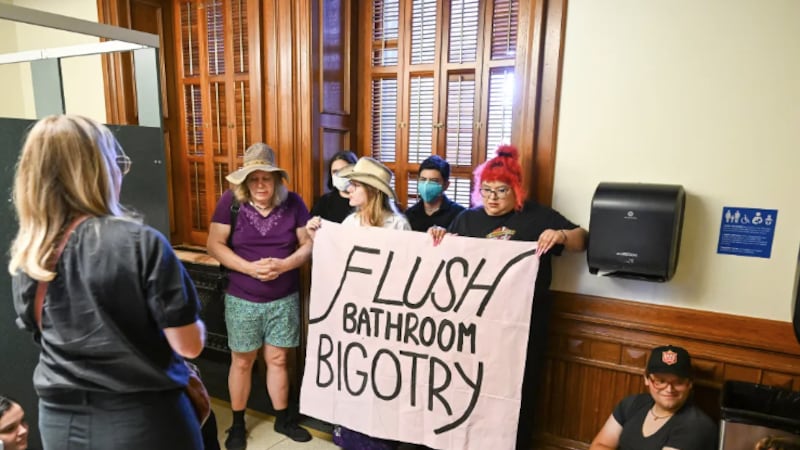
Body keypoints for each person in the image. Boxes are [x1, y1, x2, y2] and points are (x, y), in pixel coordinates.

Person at [9, 115, 206, 449]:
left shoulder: (29, 255)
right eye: (118, 163)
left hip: (61, 423)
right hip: (143, 421)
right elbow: (189, 345)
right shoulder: (140, 243)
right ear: (98, 170)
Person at [428, 145, 588, 449]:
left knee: (517, 394)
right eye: (486, 190)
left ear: (517, 190)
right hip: (476, 326)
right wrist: (439, 236)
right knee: (471, 389)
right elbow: (445, 259)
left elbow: (583, 239)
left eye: (501, 190)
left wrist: (562, 236)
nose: (492, 197)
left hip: (523, 326)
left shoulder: (538, 217)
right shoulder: (467, 219)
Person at [207, 143, 313, 449]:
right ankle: (237, 424)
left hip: (284, 297)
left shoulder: (294, 202)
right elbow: (215, 244)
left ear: (277, 179)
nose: (260, 184)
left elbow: (308, 243)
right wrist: (250, 269)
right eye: (253, 178)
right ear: (244, 181)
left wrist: (284, 264)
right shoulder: (230, 201)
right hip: (242, 297)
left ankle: (283, 419)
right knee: (242, 361)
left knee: (279, 359)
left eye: (266, 177)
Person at [306, 156, 410, 449]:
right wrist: (319, 238)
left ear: (372, 190)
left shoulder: (397, 226)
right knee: (355, 375)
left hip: (383, 320)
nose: (348, 190)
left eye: (354, 185)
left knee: (381, 380)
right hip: (352, 317)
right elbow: (336, 265)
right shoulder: (349, 222)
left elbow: (406, 275)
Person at [589, 345, 718, 450]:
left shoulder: (697, 426)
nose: (669, 389)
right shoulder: (632, 403)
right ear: (647, 379)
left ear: (690, 383)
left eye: (678, 382)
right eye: (661, 381)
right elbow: (599, 446)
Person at [405, 155, 465, 232]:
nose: (426, 185)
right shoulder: (409, 215)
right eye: (423, 179)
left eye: (433, 181)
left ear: (446, 185)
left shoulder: (459, 215)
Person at [310, 150, 358, 223]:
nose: (339, 174)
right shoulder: (324, 202)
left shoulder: (364, 201)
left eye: (344, 170)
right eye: (335, 172)